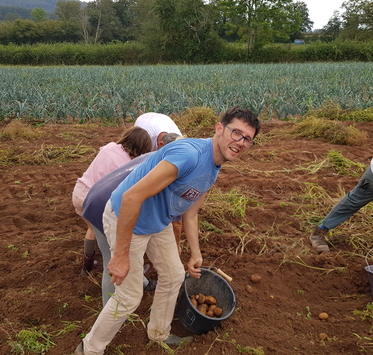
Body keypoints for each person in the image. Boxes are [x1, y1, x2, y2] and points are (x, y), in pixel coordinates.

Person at [75, 107, 261, 355]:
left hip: (157, 220)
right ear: (219, 129)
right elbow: (131, 198)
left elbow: (191, 212)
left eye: (247, 139)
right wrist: (119, 255)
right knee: (129, 296)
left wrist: (195, 253)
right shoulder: (189, 155)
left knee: (174, 276)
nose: (240, 142)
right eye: (236, 133)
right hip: (127, 217)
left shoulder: (214, 167)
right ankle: (89, 349)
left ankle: (159, 333)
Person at [81, 133, 182, 306]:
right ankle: (111, 310)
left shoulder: (153, 156)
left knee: (131, 252)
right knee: (112, 261)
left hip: (96, 194)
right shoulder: (174, 172)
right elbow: (176, 223)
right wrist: (177, 248)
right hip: (105, 206)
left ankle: (143, 283)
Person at [72, 127, 152, 274]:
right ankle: (136, 274)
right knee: (114, 238)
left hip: (79, 191)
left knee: (92, 229)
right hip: (93, 199)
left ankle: (87, 266)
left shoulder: (110, 146)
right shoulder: (127, 165)